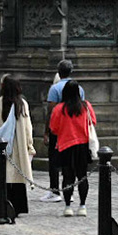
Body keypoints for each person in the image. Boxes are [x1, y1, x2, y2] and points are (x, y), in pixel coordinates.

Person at [0, 75, 34, 217]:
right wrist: (29, 145)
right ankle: (18, 206)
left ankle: (3, 204)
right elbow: (27, 128)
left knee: (4, 176)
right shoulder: (22, 104)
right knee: (18, 176)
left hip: (2, 144)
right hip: (18, 144)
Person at [49, 83, 97, 217]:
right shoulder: (85, 106)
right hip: (82, 145)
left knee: (67, 177)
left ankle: (68, 206)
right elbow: (92, 122)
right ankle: (82, 205)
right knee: (82, 176)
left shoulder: (59, 109)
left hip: (65, 146)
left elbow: (53, 128)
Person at [45, 60, 72, 200]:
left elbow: (50, 112)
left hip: (57, 129)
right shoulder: (78, 88)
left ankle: (55, 191)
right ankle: (69, 190)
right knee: (69, 160)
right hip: (72, 130)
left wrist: (46, 132)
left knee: (54, 160)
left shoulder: (55, 89)